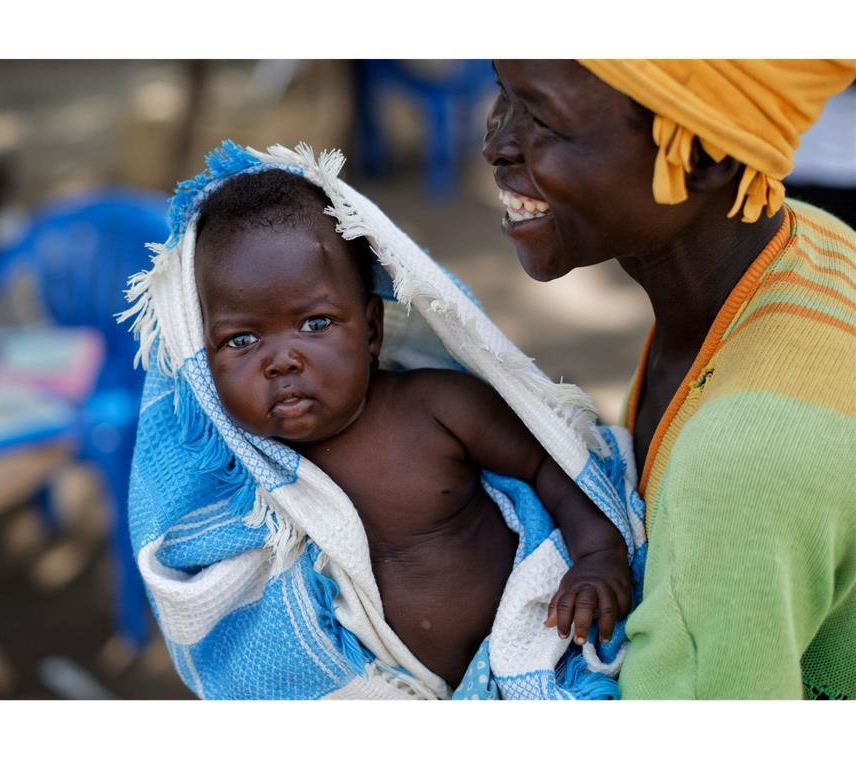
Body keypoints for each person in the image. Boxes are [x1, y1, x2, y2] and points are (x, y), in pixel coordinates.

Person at [482, 59, 856, 699]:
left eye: (543, 120)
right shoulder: (812, 242)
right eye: (503, 97)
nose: (497, 144)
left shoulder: (738, 463)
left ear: (706, 156)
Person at [191, 167, 632, 689]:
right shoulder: (246, 476)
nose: (282, 360)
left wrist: (598, 553)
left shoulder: (437, 408)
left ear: (372, 330)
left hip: (533, 651)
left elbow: (547, 464)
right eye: (241, 340)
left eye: (314, 324)